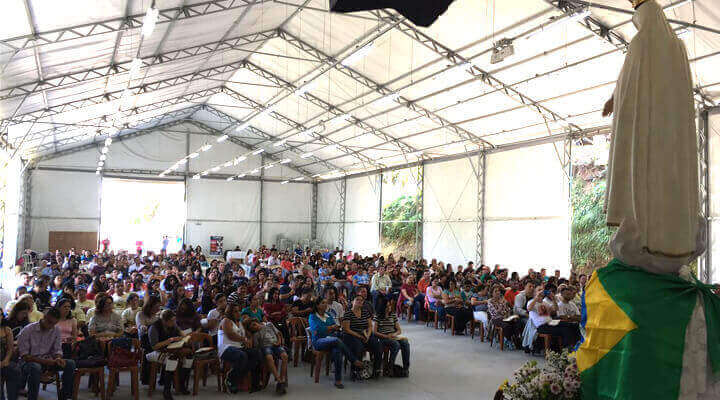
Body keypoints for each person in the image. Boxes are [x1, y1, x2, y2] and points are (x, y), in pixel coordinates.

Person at [17, 308, 76, 400]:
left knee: (70, 364)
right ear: (44, 317)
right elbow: (25, 356)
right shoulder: (28, 330)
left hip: (48, 360)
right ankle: (32, 397)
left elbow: (57, 349)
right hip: (28, 362)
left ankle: (64, 396)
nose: (51, 326)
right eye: (49, 322)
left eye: (54, 323)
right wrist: (47, 362)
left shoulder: (55, 329)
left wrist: (58, 358)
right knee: (35, 367)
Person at [308, 299, 363, 389]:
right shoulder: (312, 316)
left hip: (331, 339)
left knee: (337, 350)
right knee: (337, 340)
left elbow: (335, 326)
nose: (325, 304)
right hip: (318, 341)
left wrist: (330, 328)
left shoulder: (328, 315)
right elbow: (317, 330)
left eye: (326, 303)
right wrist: (330, 328)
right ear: (317, 305)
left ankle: (338, 380)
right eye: (323, 303)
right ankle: (353, 360)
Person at [146, 310, 191, 400]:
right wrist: (170, 340)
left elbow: (182, 334)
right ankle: (166, 390)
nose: (174, 322)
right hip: (156, 352)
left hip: (171, 349)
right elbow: (154, 346)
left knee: (189, 356)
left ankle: (181, 384)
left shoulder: (173, 324)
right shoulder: (154, 327)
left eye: (174, 320)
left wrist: (183, 337)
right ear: (164, 321)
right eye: (172, 320)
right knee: (172, 359)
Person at [218, 304, 262, 394]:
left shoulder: (240, 323)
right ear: (229, 313)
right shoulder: (226, 321)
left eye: (239, 311)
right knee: (242, 355)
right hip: (226, 348)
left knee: (256, 353)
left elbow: (246, 335)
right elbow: (230, 335)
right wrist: (244, 339)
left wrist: (249, 337)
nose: (238, 313)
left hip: (239, 347)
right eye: (235, 311)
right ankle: (230, 378)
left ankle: (237, 379)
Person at [341, 295, 382, 379]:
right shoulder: (348, 313)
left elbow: (370, 326)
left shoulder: (365, 312)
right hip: (352, 335)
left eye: (361, 300)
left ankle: (376, 369)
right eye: (357, 300)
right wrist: (359, 336)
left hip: (365, 334)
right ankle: (356, 370)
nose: (360, 301)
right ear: (352, 302)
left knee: (377, 345)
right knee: (358, 346)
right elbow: (347, 329)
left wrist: (367, 335)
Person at [245, 319, 288, 394]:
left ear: (257, 322)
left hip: (276, 344)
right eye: (252, 328)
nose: (255, 327)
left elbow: (278, 333)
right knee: (269, 357)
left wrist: (279, 341)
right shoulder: (256, 334)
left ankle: (283, 379)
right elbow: (256, 346)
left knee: (284, 356)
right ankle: (279, 380)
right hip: (266, 347)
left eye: (254, 324)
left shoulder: (269, 325)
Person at [372, 296, 410, 377]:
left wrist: (393, 334)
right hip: (382, 337)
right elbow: (374, 332)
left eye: (389, 306)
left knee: (405, 343)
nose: (389, 308)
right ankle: (390, 366)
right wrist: (385, 336)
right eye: (387, 306)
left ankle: (406, 368)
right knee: (396, 344)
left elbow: (399, 330)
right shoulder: (378, 316)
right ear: (382, 307)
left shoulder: (392, 315)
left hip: (392, 336)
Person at [1, 311, 22, 400]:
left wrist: (6, 360)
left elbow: (10, 349)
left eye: (0, 315)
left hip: (4, 359)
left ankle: (12, 397)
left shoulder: (6, 329)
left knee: (15, 370)